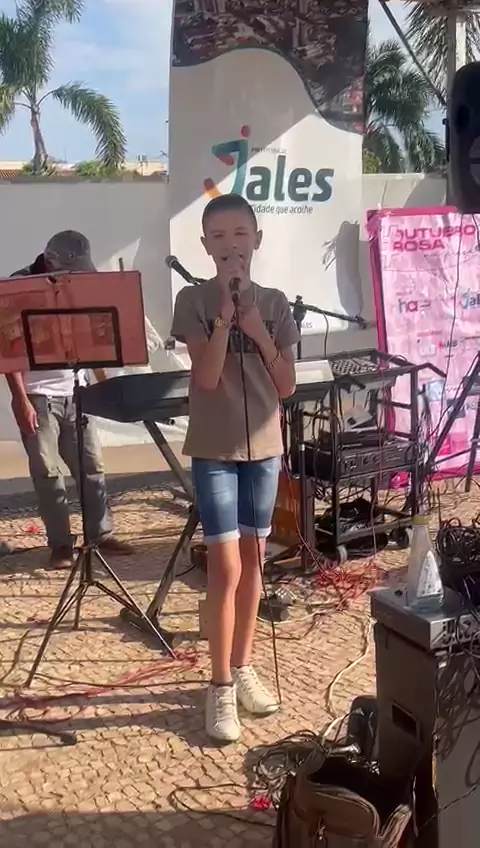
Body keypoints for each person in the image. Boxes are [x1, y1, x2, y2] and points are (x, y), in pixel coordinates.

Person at [170, 194, 300, 743]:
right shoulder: (192, 300)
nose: (231, 247)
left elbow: (286, 385)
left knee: (254, 562)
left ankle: (244, 666)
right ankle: (219, 685)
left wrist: (256, 326)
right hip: (214, 451)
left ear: (257, 240)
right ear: (205, 246)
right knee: (224, 567)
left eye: (240, 235)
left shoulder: (275, 303)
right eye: (219, 238)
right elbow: (205, 377)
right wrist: (226, 316)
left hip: (264, 449)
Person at [6, 230, 133, 569]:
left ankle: (100, 534)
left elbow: (92, 337)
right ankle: (61, 545)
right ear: (50, 261)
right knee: (48, 472)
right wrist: (20, 399)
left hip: (77, 390)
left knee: (91, 466)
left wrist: (104, 384)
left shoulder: (79, 285)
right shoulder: (20, 286)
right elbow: (7, 347)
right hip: (38, 394)